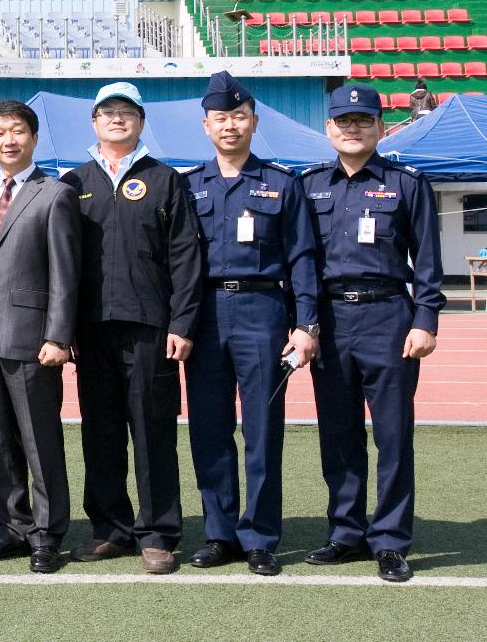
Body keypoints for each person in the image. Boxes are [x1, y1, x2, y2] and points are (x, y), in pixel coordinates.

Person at [301, 84, 444, 584]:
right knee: (338, 435)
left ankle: (390, 540)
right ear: (329, 130)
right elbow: (301, 263)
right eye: (344, 121)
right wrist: (303, 324)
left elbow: (427, 261)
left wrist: (425, 320)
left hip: (389, 319)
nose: (353, 128)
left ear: (381, 127)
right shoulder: (310, 185)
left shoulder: (406, 183)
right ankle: (346, 532)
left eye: (363, 120)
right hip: (331, 322)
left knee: (392, 436)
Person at [60, 81, 203, 575]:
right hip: (93, 331)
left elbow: (186, 257)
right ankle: (110, 530)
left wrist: (182, 322)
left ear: (141, 121)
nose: (117, 119)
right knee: (100, 433)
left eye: (127, 112)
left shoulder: (167, 180)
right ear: (94, 122)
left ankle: (158, 533)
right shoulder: (72, 181)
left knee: (153, 433)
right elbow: (63, 264)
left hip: (151, 329)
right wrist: (64, 329)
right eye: (107, 112)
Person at [182, 71, 320, 577]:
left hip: (263, 313)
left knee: (263, 430)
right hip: (203, 315)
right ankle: (219, 533)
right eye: (221, 118)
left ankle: (259, 535)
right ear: (206, 125)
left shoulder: (282, 184)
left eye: (240, 117)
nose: (231, 126)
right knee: (209, 429)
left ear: (254, 122)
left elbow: (303, 258)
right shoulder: (187, 186)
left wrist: (306, 324)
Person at [0, 99, 80, 575]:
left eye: (17, 131)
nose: (8, 140)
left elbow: (65, 273)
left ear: (33, 138)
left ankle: (47, 533)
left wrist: (58, 335)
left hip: (34, 339)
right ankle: (11, 528)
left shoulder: (54, 193)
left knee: (39, 439)